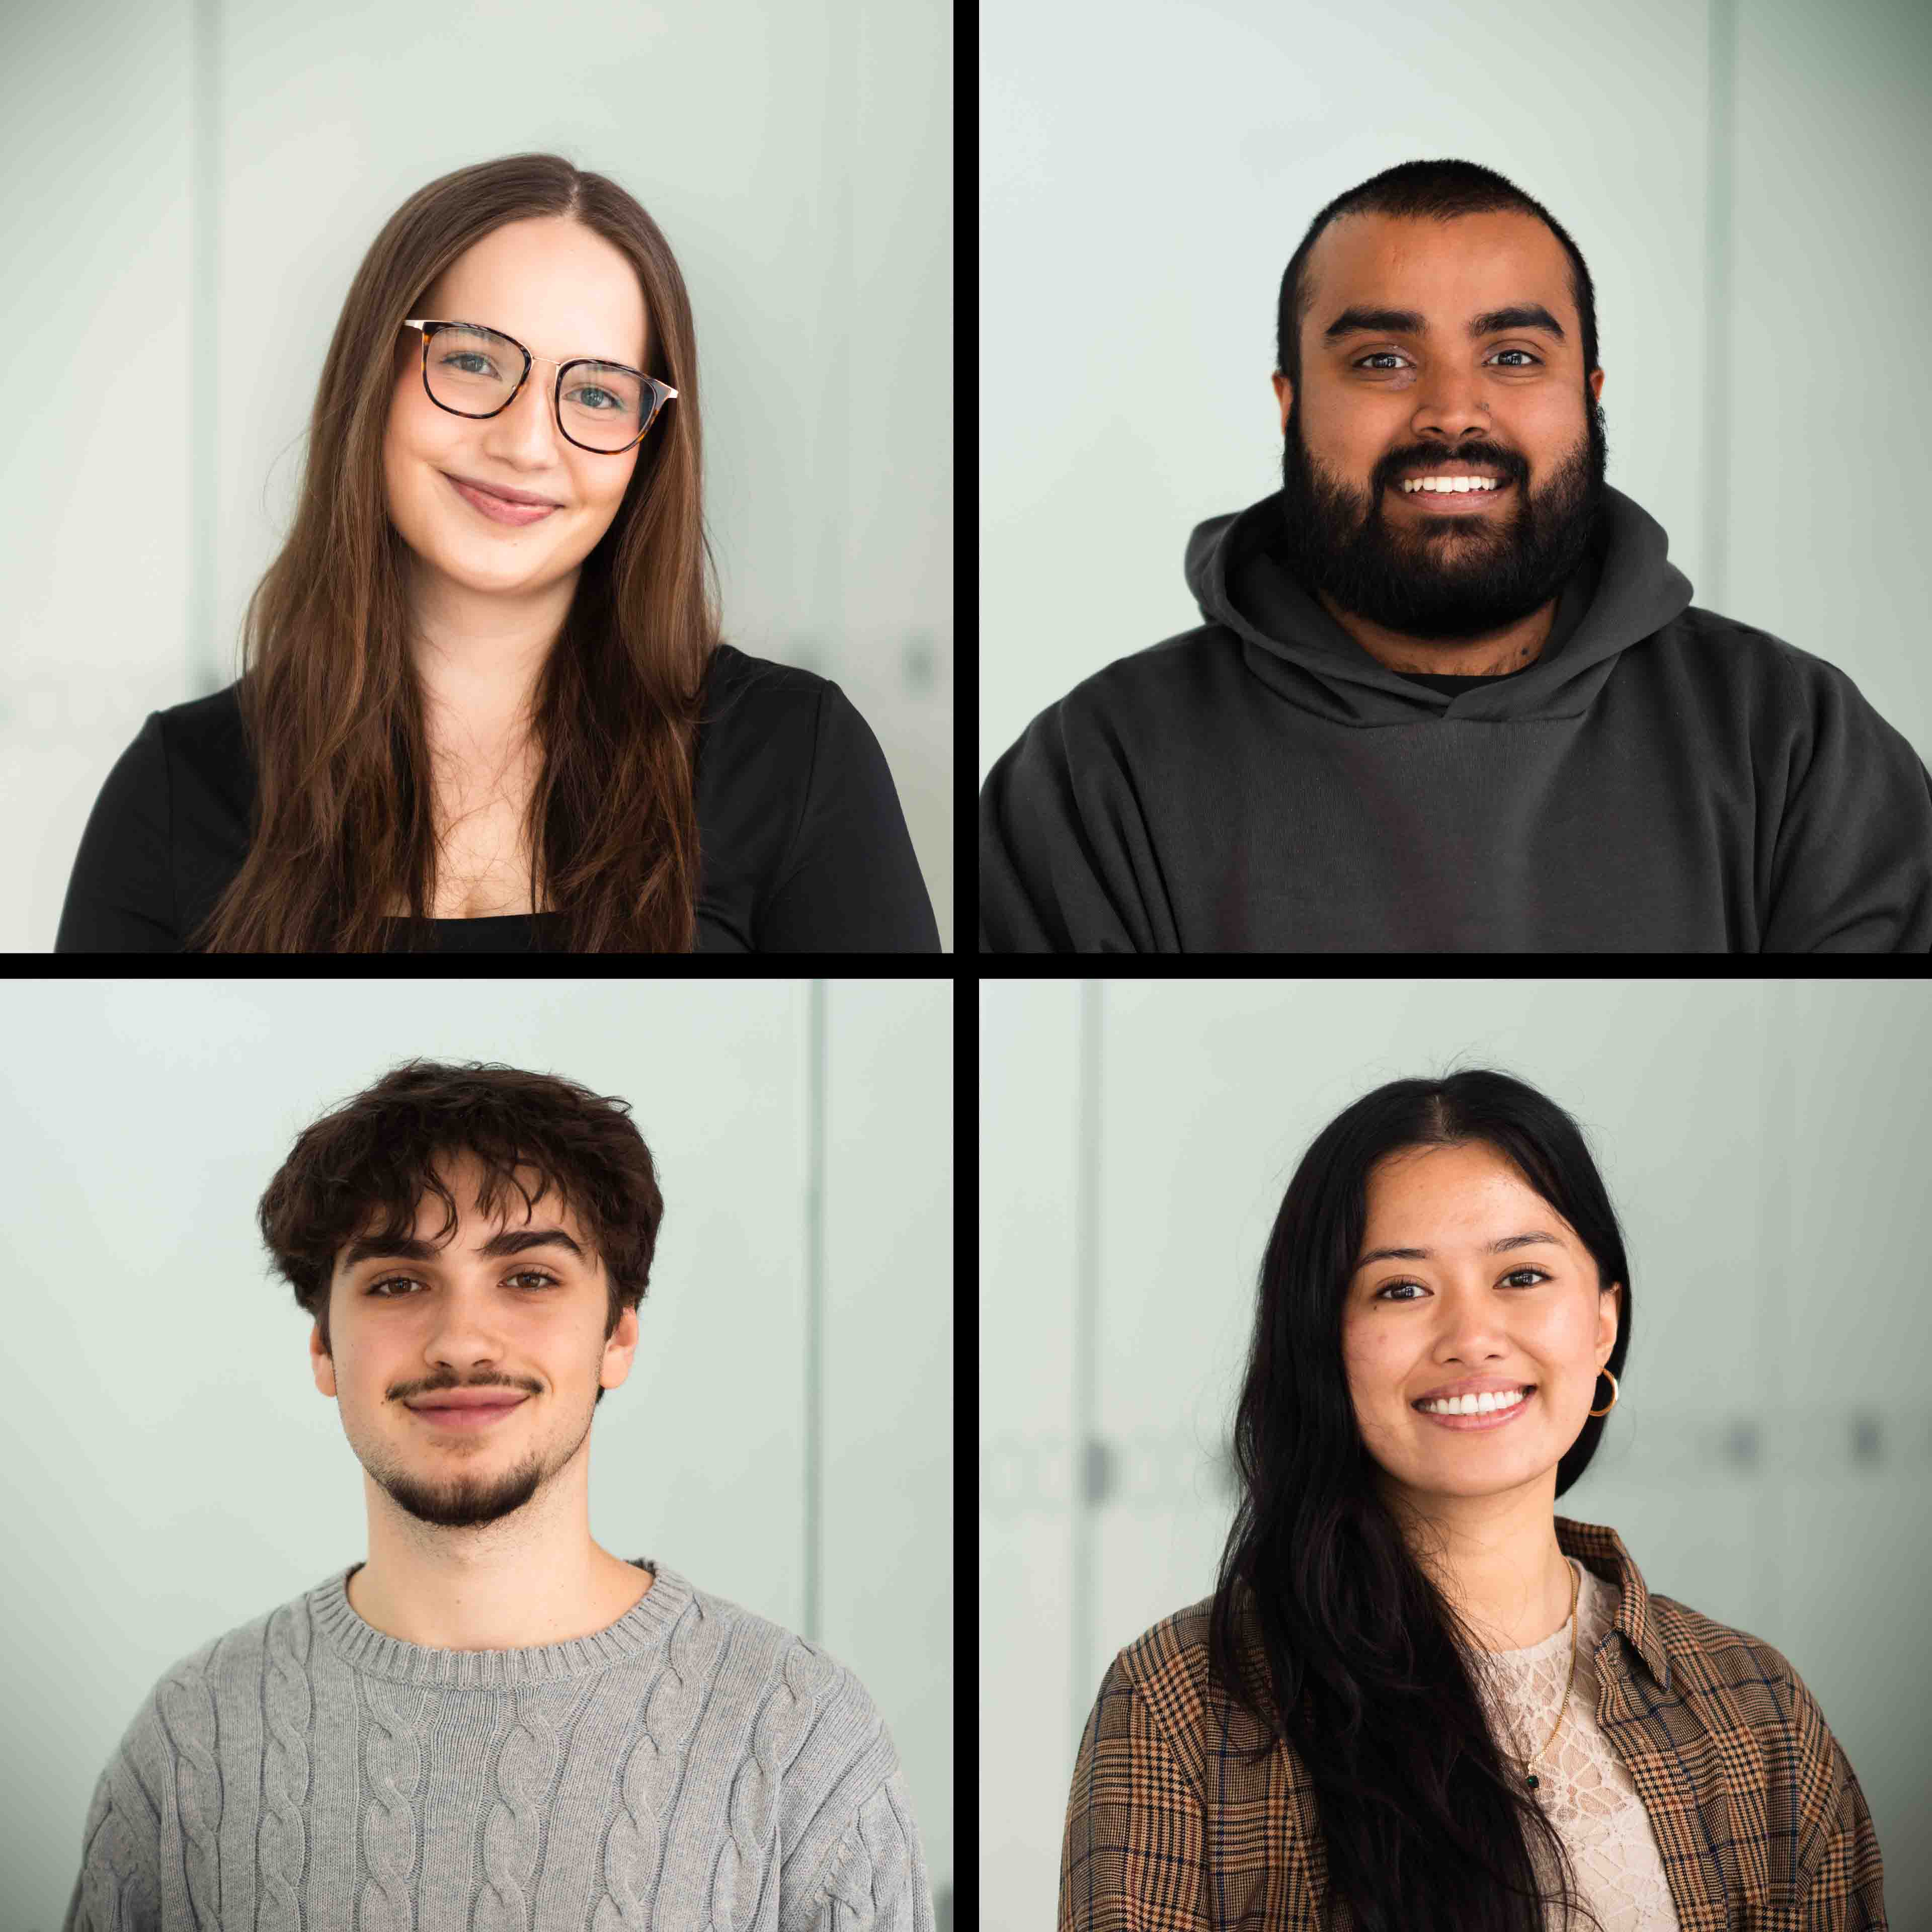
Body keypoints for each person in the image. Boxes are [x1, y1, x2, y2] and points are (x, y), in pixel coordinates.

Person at [65, 1059, 934, 1929]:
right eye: (398, 1283)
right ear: (324, 1349)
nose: (462, 1341)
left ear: (617, 1337)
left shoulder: (801, 1736)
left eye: (528, 1278)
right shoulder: (194, 1738)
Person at [981, 158, 1932, 952]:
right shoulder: (1095, 773)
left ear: (1590, 395)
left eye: (1514, 356)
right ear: (1290, 403)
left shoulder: (1799, 744)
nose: (1451, 411)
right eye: (1382, 361)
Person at [1060, 1068, 1886, 1930]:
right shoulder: (1180, 1705)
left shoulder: (1759, 1714)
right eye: (1402, 1289)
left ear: (1603, 1321)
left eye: (1523, 1276)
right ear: (1323, 1341)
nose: (1471, 1340)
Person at [55, 152, 939, 953]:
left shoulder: (796, 758)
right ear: (378, 376)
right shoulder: (177, 790)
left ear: (648, 443)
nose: (526, 445)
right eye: (476, 362)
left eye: (596, 392)